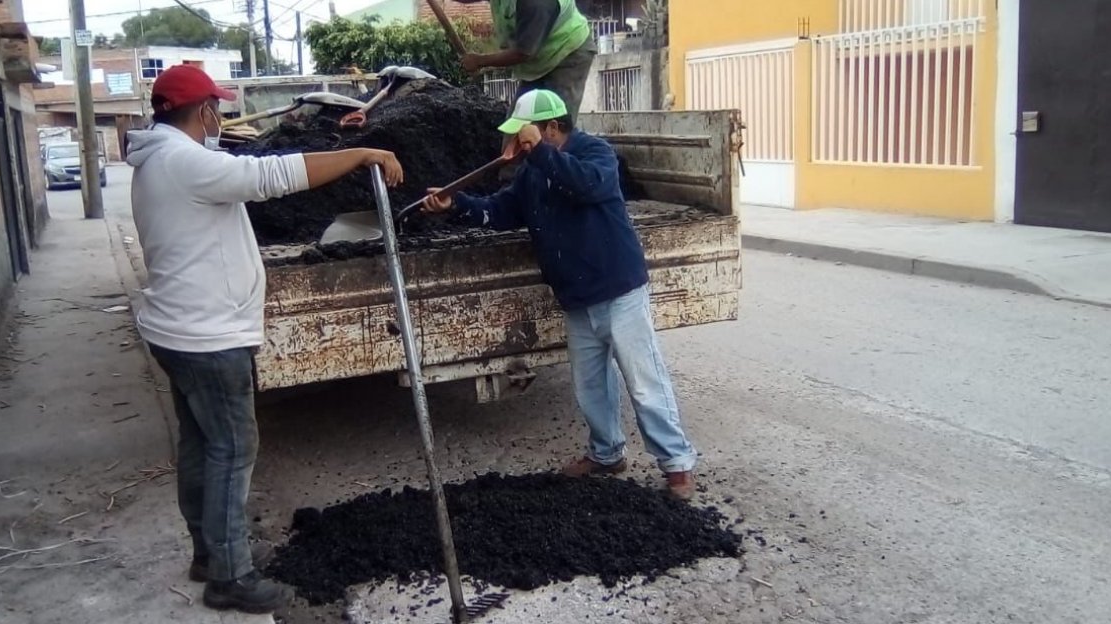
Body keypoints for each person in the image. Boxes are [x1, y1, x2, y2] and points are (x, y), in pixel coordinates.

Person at [124, 65, 404, 614]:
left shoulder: (157, 160)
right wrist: (361, 154)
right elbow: (268, 177)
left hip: (180, 328)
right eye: (217, 108)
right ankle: (231, 576)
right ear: (203, 111)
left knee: (202, 443)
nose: (221, 116)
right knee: (232, 448)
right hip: (206, 334)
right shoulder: (185, 161)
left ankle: (211, 552)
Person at [421, 90, 700, 500]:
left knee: (644, 383)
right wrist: (456, 204)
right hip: (575, 296)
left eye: (526, 134)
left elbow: (588, 186)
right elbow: (500, 211)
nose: (518, 143)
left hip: (618, 289)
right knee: (590, 386)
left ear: (552, 128)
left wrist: (539, 154)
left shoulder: (595, 154)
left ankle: (676, 464)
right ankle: (606, 454)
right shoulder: (532, 172)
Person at [454, 0, 596, 122]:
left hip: (568, 54)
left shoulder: (536, 3)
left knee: (555, 126)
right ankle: (515, 153)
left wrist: (479, 61)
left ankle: (556, 152)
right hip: (539, 59)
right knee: (517, 128)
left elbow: (523, 53)